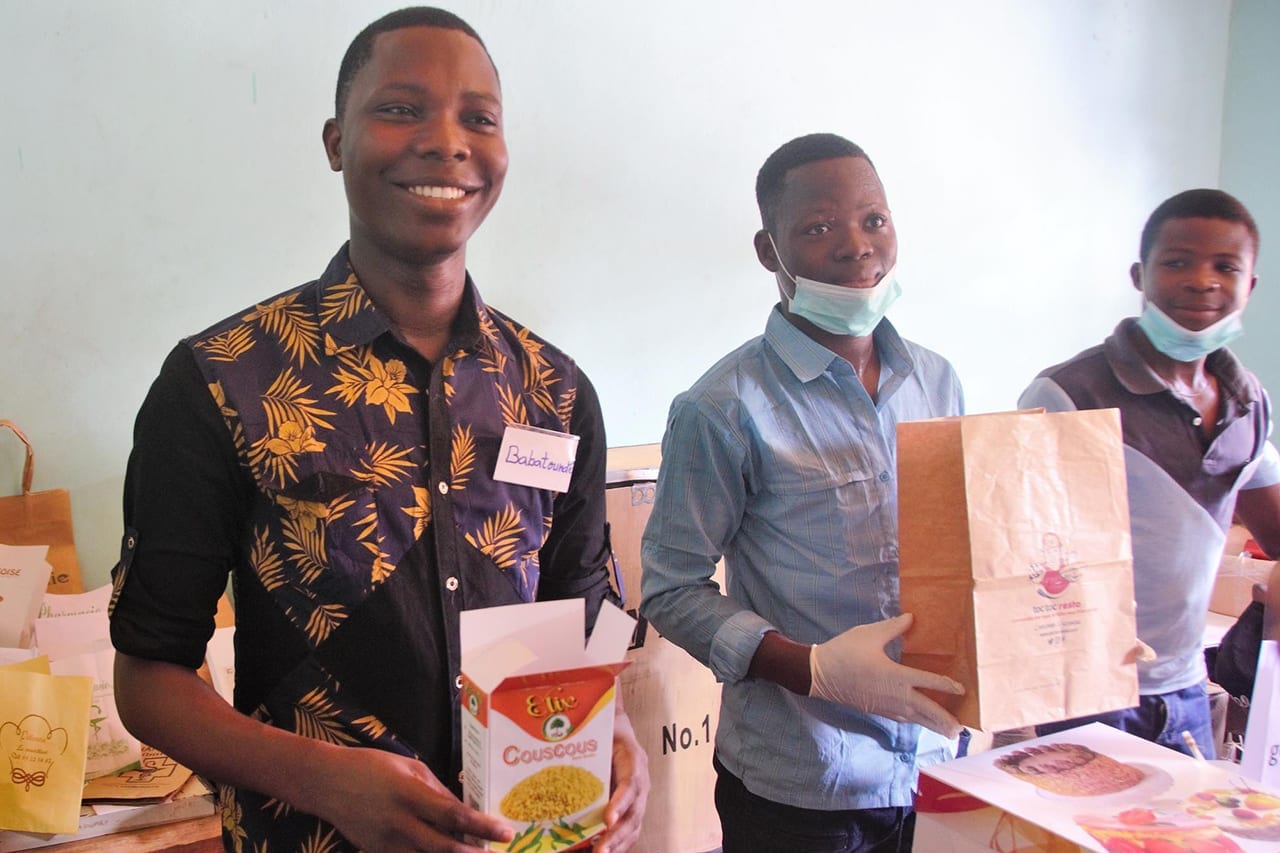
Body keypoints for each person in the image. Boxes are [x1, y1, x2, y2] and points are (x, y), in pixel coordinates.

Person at [108, 8, 647, 851]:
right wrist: (321, 777)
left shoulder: (557, 390)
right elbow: (148, 676)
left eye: (480, 118)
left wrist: (612, 727)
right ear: (334, 140)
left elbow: (591, 617)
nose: (447, 141)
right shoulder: (222, 382)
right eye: (401, 109)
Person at [639, 133, 966, 853]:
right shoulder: (722, 405)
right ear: (769, 250)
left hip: (940, 764)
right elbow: (670, 588)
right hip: (803, 784)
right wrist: (813, 669)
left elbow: (968, 551)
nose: (857, 246)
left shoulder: (939, 382)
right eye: (819, 227)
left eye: (874, 219)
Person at [1020, 188, 1280, 758]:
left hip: (1186, 688)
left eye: (1225, 267)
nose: (1202, 281)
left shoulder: (1248, 401)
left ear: (1250, 285)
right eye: (1177, 262)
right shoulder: (1069, 393)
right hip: (1086, 697)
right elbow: (1015, 559)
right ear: (1140, 275)